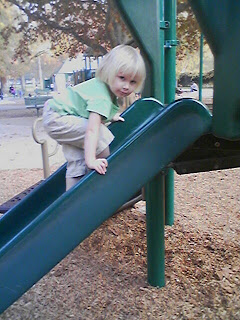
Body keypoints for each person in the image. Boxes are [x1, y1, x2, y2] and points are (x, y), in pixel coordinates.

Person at [43, 45, 146, 190]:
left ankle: (69, 203)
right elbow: (92, 130)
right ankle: (100, 181)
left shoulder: (103, 88)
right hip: (58, 117)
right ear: (109, 72)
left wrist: (110, 116)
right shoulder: (102, 97)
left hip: (59, 114)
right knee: (101, 135)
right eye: (122, 78)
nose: (126, 86)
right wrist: (91, 160)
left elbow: (88, 110)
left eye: (133, 82)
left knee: (77, 160)